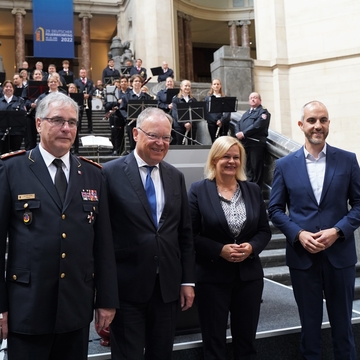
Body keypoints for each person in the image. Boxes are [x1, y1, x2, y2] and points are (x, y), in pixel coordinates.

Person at [0, 92, 119, 359]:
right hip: (27, 309)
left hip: (75, 309)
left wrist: (107, 301)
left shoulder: (93, 174)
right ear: (39, 123)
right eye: (57, 120)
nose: (66, 128)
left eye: (72, 122)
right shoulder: (11, 170)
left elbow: (103, 245)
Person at [268, 100, 360, 360]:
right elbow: (274, 209)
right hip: (303, 259)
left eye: (323, 120)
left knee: (343, 330)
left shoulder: (348, 160)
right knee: (309, 330)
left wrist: (338, 230)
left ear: (329, 123)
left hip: (339, 256)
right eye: (311, 120)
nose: (317, 125)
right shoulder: (285, 165)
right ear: (301, 125)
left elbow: (359, 205)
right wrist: (298, 234)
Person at [103, 107, 195, 360]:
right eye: (154, 135)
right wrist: (105, 295)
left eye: (166, 138)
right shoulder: (108, 173)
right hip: (126, 289)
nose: (160, 143)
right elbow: (101, 239)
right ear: (135, 133)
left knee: (162, 354)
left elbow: (184, 233)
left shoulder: (175, 176)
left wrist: (187, 281)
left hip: (166, 288)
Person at [188, 136, 271, 360]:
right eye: (226, 156)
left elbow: (264, 230)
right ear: (214, 159)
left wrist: (252, 247)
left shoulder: (252, 190)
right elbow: (190, 235)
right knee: (214, 343)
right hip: (212, 278)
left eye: (236, 157)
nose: (231, 161)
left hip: (249, 278)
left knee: (246, 343)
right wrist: (219, 250)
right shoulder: (198, 190)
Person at [235, 92, 270, 188]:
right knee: (247, 168)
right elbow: (238, 124)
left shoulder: (263, 113)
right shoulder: (246, 113)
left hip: (256, 144)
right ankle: (249, 189)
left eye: (255, 98)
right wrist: (237, 132)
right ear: (248, 101)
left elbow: (257, 125)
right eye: (251, 98)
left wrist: (243, 133)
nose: (253, 99)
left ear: (260, 100)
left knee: (256, 168)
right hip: (245, 144)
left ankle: (257, 191)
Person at [119, 74, 152, 151]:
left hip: (144, 125)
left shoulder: (147, 96)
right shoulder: (126, 96)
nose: (137, 83)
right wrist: (128, 116)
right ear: (132, 83)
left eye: (139, 81)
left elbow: (150, 109)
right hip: (131, 124)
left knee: (144, 144)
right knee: (133, 145)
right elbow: (122, 109)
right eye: (135, 81)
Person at [104, 77, 129, 155]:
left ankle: (124, 150)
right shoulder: (116, 93)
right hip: (117, 116)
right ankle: (117, 150)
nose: (123, 83)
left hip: (128, 115)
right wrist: (117, 102)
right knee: (116, 134)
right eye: (122, 82)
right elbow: (107, 104)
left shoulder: (130, 92)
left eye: (125, 82)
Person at [0, 80, 26, 154]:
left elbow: (23, 116)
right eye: (6, 87)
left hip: (16, 132)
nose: (8, 88)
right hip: (2, 132)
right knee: (3, 154)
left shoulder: (19, 101)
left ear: (13, 89)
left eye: (10, 87)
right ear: (3, 89)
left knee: (16, 154)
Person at [171, 79, 198, 145]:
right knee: (179, 145)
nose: (187, 87)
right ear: (181, 87)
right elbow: (175, 113)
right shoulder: (176, 99)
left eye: (189, 86)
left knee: (191, 145)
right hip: (179, 126)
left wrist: (191, 123)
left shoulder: (193, 100)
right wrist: (184, 123)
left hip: (191, 126)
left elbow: (196, 114)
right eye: (186, 86)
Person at [205, 78, 231, 143]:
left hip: (223, 123)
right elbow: (207, 111)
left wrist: (221, 120)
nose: (216, 86)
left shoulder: (225, 97)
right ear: (212, 86)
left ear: (220, 85)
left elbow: (228, 111)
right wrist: (216, 120)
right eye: (214, 84)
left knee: (224, 142)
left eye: (218, 84)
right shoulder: (208, 98)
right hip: (212, 123)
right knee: (214, 141)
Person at [74, 68, 95, 133]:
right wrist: (81, 95)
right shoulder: (76, 81)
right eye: (81, 72)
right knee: (80, 115)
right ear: (79, 73)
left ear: (86, 73)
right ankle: (79, 129)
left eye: (84, 72)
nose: (83, 74)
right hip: (80, 100)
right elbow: (76, 90)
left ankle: (90, 129)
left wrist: (89, 94)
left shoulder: (90, 81)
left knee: (89, 116)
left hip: (88, 100)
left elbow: (92, 89)